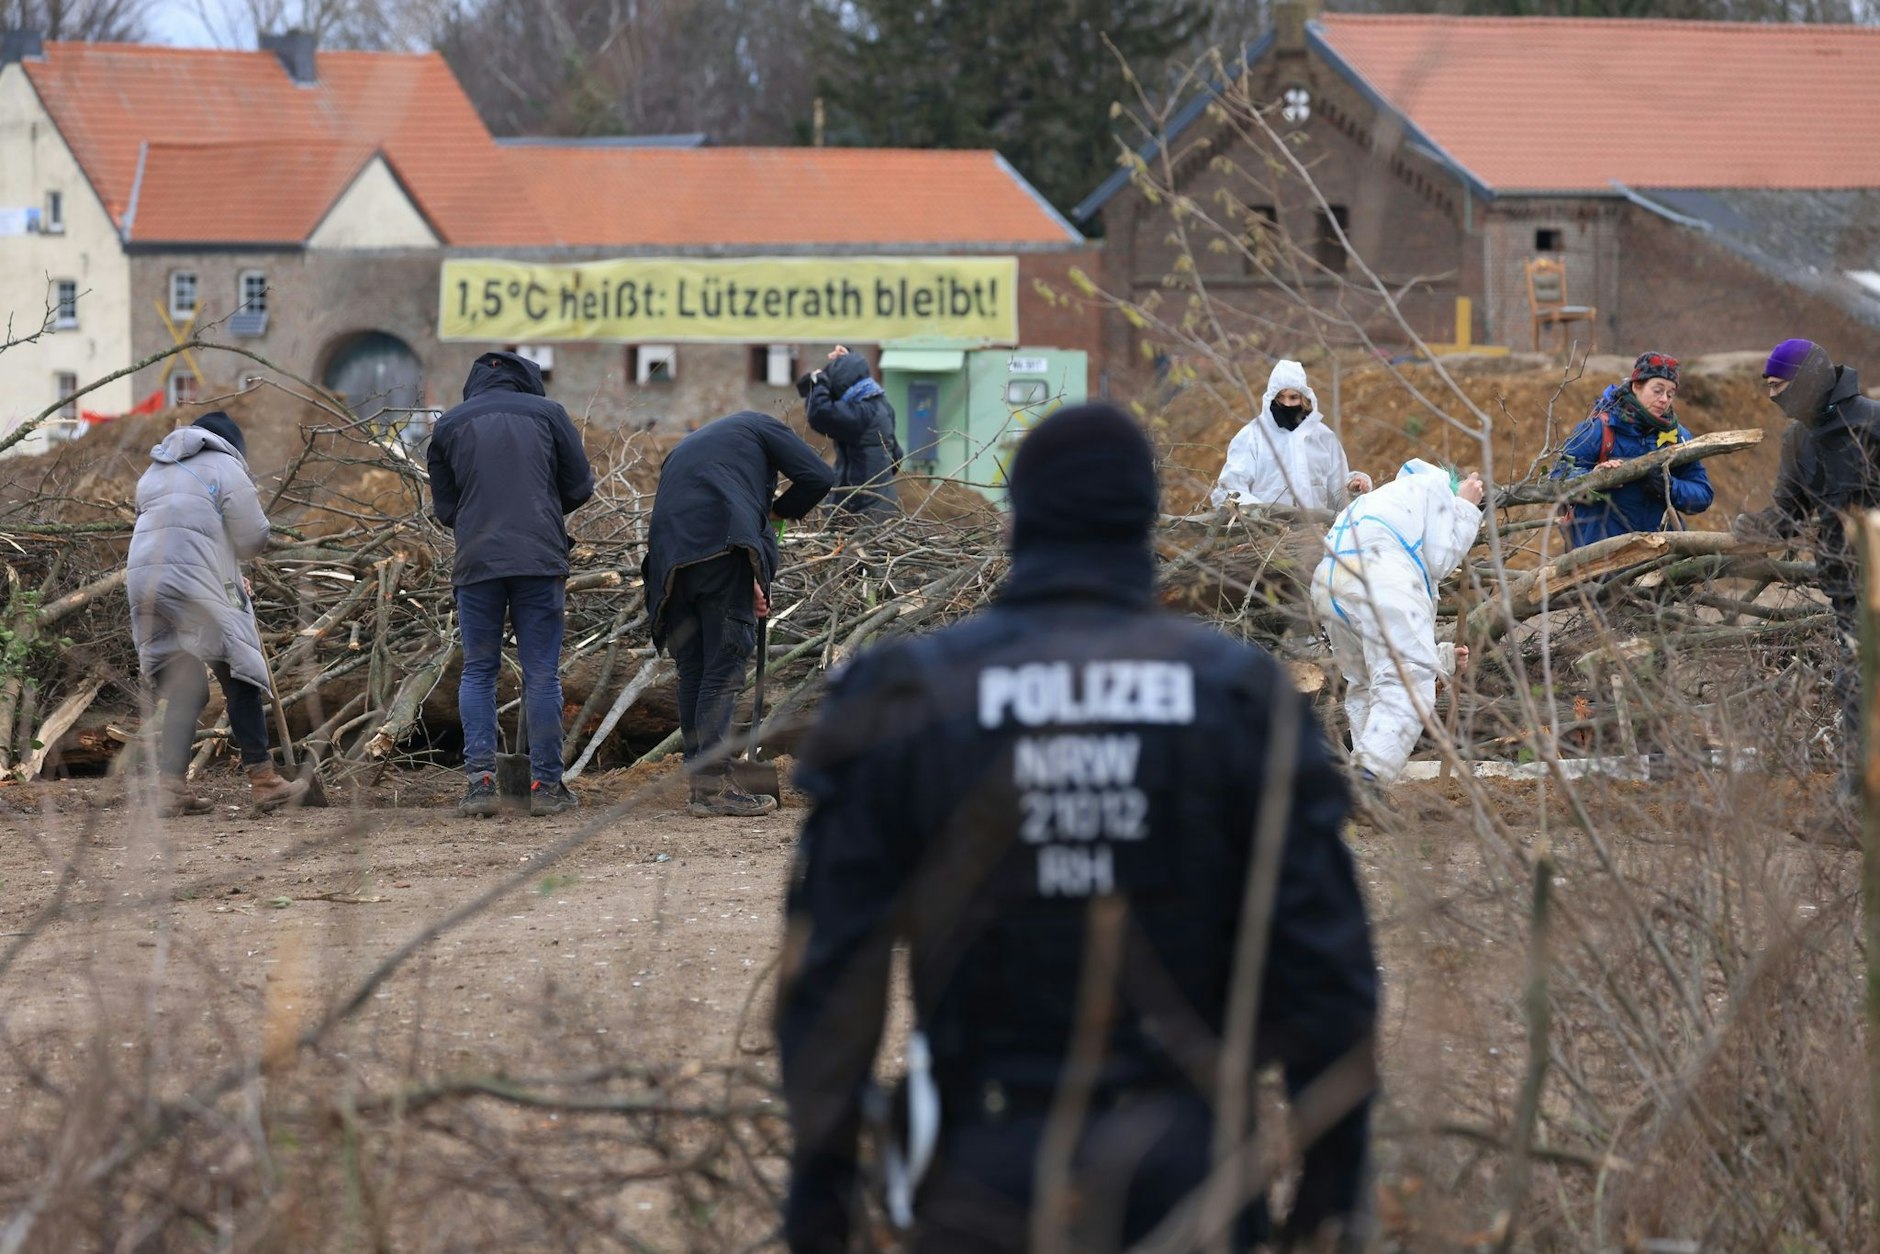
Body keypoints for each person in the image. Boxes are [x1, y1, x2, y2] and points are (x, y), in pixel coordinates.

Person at [776, 403, 1378, 1252]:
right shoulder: (1240, 698)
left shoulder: (910, 697)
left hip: (978, 1167)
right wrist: (1331, 1200)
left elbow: (832, 977)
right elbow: (1329, 971)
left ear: (1019, 522)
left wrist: (820, 1199)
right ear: (1146, 525)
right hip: (1190, 1167)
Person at [428, 350, 595, 819]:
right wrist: (540, 507)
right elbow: (580, 486)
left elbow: (445, 509)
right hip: (539, 558)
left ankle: (480, 784)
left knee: (478, 671)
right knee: (541, 671)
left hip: (476, 561)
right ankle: (545, 786)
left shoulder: (448, 425)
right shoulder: (549, 414)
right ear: (529, 381)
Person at [644, 410, 835, 817]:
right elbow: (818, 476)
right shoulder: (761, 425)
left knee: (694, 667)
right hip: (723, 546)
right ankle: (713, 786)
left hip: (667, 559)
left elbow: (705, 522)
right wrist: (777, 514)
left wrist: (750, 575)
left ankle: (700, 778)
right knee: (723, 667)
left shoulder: (692, 449)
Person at [128, 411, 309, 815]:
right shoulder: (226, 465)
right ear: (230, 444)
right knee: (240, 673)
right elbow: (252, 535)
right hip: (196, 585)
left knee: (184, 686)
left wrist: (226, 568)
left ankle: (169, 790)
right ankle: (264, 780)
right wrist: (230, 565)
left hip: (145, 584)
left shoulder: (153, 471)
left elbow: (175, 530)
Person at [1733, 339, 1880, 835]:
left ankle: (1853, 811)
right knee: (1857, 692)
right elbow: (1788, 513)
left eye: (1780, 385)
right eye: (1769, 388)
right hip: (1846, 593)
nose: (1775, 395)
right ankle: (1853, 810)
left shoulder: (1874, 423)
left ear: (1810, 377)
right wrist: (1753, 531)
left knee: (1860, 690)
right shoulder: (1799, 440)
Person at [1311, 459, 1485, 785]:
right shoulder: (1432, 488)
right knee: (1408, 687)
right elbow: (1441, 559)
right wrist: (1464, 506)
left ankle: (1365, 788)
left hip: (1329, 584)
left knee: (1365, 683)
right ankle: (1368, 780)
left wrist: (1442, 657)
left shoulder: (1384, 498)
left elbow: (1386, 648)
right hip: (1379, 578)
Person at [1552, 351, 1712, 548]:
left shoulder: (1678, 437)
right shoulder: (1599, 428)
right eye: (1657, 390)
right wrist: (1595, 478)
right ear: (1637, 386)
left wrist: (1669, 486)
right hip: (1600, 561)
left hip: (1658, 558)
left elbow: (1702, 494)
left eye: (1670, 394)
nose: (1664, 399)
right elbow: (1557, 477)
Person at [1211, 358, 1371, 512]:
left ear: (1304, 399)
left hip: (1316, 534)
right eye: (1280, 398)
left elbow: (1337, 498)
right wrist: (1260, 515)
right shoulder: (1252, 437)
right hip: (1265, 536)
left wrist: (1352, 488)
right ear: (1271, 398)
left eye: (1293, 397)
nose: (1287, 404)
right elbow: (1230, 489)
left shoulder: (1324, 438)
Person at [798, 345, 901, 520]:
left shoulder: (862, 414)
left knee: (851, 547)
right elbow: (896, 456)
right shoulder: (881, 405)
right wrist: (847, 363)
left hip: (860, 511)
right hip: (882, 507)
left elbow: (820, 413)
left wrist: (821, 381)